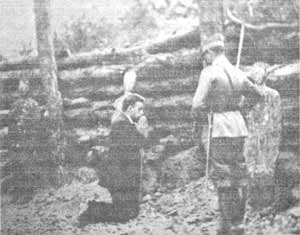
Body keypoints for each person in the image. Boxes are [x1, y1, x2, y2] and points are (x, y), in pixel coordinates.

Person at [191, 34, 264, 235]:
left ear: (209, 53)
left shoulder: (209, 72)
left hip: (219, 127)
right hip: (238, 127)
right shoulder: (237, 72)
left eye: (205, 55)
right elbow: (257, 94)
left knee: (223, 176)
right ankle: (232, 223)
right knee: (239, 173)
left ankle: (232, 226)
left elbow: (196, 105)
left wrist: (206, 114)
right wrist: (241, 109)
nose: (204, 58)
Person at [78, 94, 148, 226]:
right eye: (140, 109)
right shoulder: (122, 125)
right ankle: (91, 210)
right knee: (126, 214)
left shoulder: (126, 124)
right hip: (120, 178)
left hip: (124, 177)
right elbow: (138, 143)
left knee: (132, 211)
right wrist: (142, 130)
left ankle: (93, 209)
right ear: (130, 108)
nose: (142, 113)